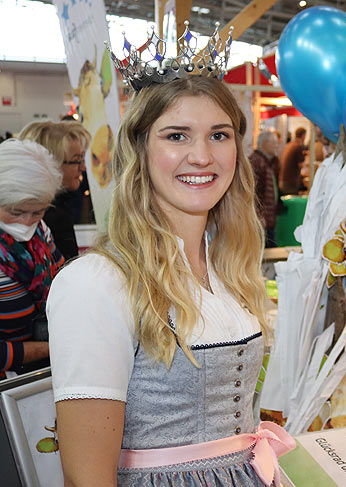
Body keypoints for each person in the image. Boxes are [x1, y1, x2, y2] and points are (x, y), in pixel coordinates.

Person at [47, 75, 293, 486]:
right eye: (177, 136)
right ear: (140, 150)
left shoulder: (229, 270)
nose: (201, 156)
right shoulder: (97, 284)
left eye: (219, 135)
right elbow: (87, 478)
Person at [0, 139, 64, 377]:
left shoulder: (41, 231)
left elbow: (60, 276)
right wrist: (47, 349)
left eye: (38, 212)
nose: (27, 222)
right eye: (16, 212)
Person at [19, 120, 91, 259]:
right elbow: (66, 277)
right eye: (77, 160)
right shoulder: (55, 219)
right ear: (52, 164)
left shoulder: (21, 210)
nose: (83, 168)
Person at [249, 130, 281, 247]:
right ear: (264, 144)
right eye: (274, 143)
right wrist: (259, 216)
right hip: (260, 222)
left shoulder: (267, 162)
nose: (277, 146)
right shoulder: (257, 162)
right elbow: (252, 192)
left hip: (266, 220)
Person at [279, 127, 306, 194]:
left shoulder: (289, 145)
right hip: (291, 183)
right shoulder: (299, 146)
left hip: (282, 181)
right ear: (303, 135)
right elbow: (301, 165)